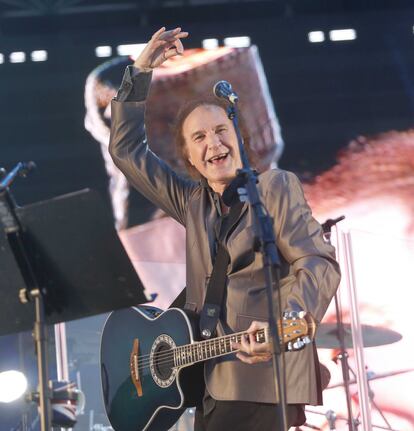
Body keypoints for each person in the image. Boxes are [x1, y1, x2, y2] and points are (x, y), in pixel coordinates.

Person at [109, 26, 341, 431]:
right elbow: (126, 150)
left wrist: (285, 320)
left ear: (239, 138)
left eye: (221, 131)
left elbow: (318, 261)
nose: (213, 143)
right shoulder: (193, 203)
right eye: (199, 137)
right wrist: (140, 71)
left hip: (263, 375)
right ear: (190, 160)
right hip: (212, 381)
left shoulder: (273, 186)